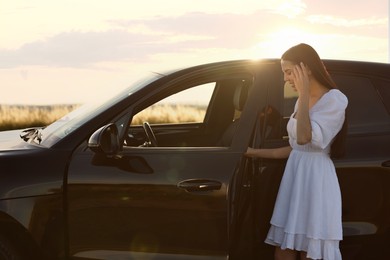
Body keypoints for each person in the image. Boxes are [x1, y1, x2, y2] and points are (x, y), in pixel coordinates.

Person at [246, 43, 348, 260]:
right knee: (284, 247)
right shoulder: (300, 103)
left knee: (309, 251)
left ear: (306, 69)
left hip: (316, 182)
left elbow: (304, 136)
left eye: (288, 72)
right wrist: (251, 152)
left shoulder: (335, 100)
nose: (285, 79)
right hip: (295, 178)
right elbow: (296, 148)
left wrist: (302, 97)